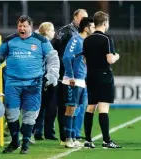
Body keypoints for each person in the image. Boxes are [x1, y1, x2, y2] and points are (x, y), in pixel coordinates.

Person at [0, 15, 60, 154]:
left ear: (31, 27)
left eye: (25, 26)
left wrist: (52, 75)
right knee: (11, 114)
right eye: (20, 26)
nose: (22, 28)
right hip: (13, 84)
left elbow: (53, 58)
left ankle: (26, 143)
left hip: (33, 84)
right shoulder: (10, 40)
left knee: (30, 114)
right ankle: (15, 141)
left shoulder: (41, 40)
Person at [83, 11, 121, 148]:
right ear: (105, 23)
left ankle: (88, 140)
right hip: (104, 75)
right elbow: (110, 59)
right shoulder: (106, 38)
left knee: (90, 107)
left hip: (91, 75)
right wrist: (117, 56)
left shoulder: (87, 39)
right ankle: (106, 141)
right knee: (103, 107)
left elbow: (84, 60)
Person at [52, 9, 88, 145]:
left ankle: (73, 135)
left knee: (76, 106)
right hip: (65, 75)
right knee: (65, 106)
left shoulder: (82, 35)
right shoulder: (65, 31)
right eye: (82, 18)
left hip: (78, 75)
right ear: (75, 17)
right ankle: (64, 137)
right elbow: (54, 49)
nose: (84, 21)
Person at [62, 17, 95, 148]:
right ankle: (68, 138)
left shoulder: (86, 41)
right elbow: (66, 57)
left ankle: (74, 137)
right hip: (73, 80)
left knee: (77, 109)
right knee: (71, 108)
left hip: (81, 80)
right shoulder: (76, 39)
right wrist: (71, 77)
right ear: (86, 28)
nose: (93, 29)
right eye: (92, 27)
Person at [33, 22, 58, 140]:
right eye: (52, 30)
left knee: (40, 106)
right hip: (40, 77)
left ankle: (36, 130)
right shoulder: (44, 42)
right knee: (41, 106)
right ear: (47, 32)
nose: (54, 32)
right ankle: (34, 130)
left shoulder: (35, 40)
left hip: (38, 77)